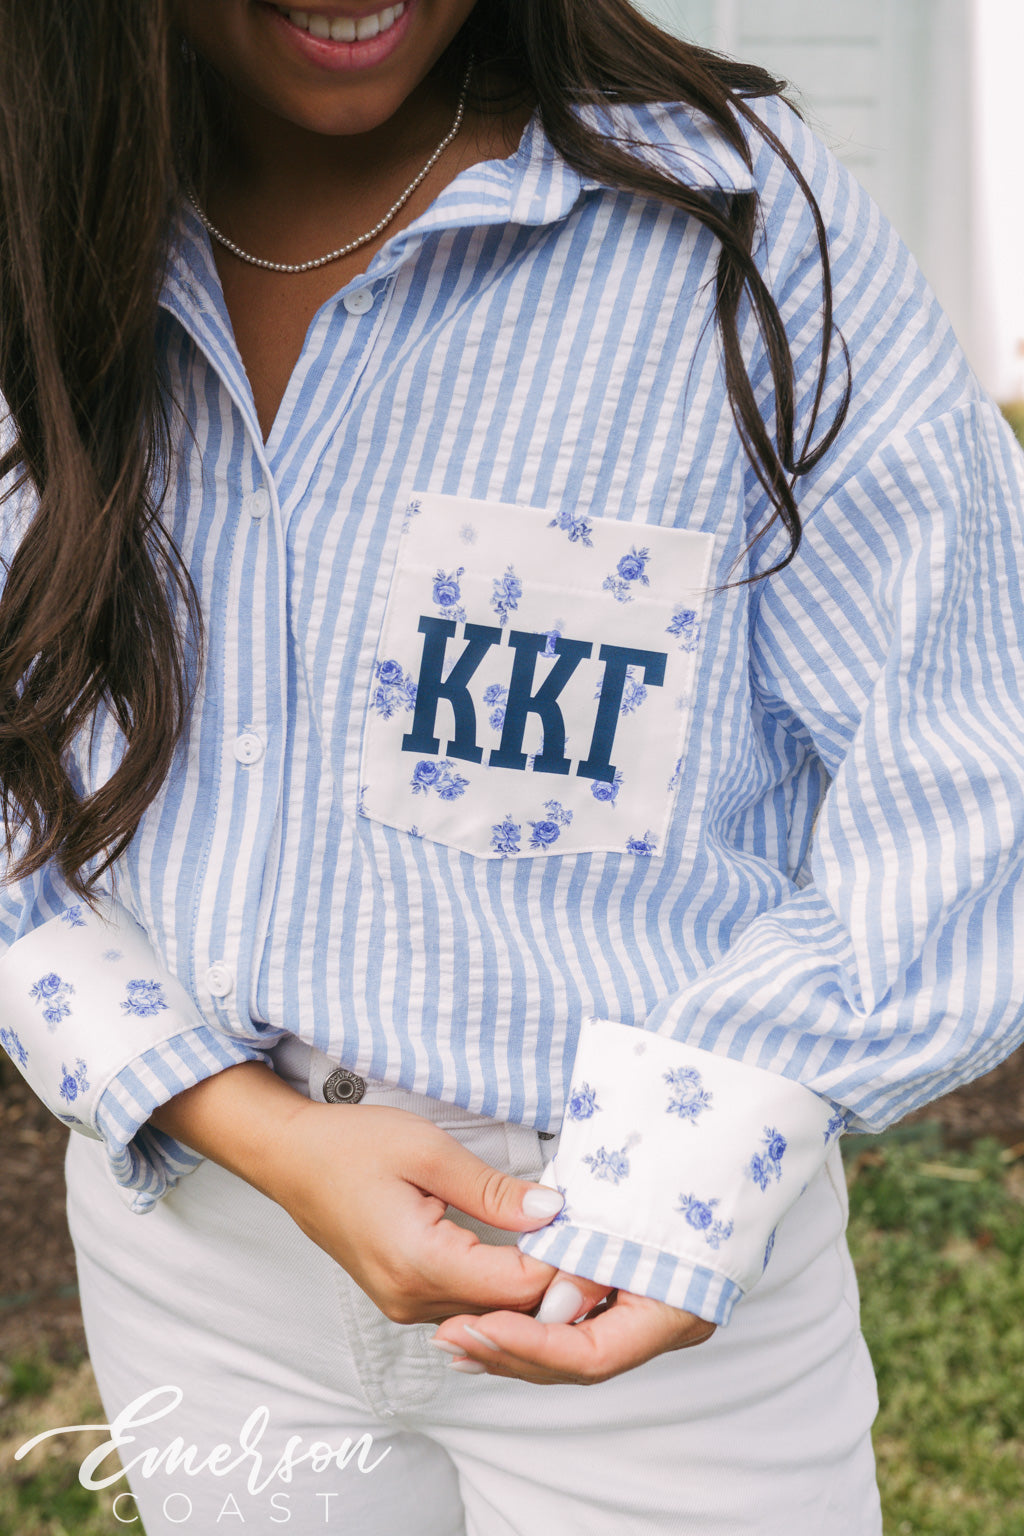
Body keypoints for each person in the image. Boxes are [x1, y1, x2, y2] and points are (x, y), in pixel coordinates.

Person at [1, 1, 1022, 1531]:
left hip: (633, 1282)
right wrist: (253, 1129)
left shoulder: (735, 222)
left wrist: (673, 1189)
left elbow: (971, 752)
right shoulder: (44, 227)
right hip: (201, 1259)